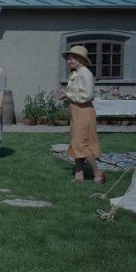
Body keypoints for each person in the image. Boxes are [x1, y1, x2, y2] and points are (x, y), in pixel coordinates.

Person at [56, 45, 104, 183]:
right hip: (75, 110)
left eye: (71, 59)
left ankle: (98, 173)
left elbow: (88, 96)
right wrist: (65, 96)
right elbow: (75, 93)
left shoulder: (85, 73)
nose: (68, 61)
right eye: (68, 59)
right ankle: (79, 174)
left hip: (84, 110)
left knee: (80, 143)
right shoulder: (76, 73)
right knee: (76, 141)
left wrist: (68, 95)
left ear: (80, 59)